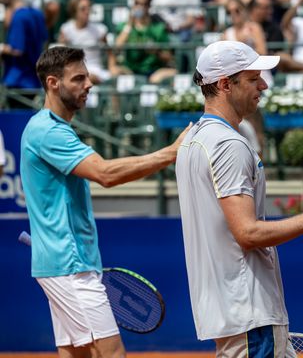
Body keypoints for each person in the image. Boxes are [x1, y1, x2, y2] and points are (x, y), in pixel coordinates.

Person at [175, 40, 303, 357]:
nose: (264, 85)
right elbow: (248, 233)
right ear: (226, 84)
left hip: (233, 311)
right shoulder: (228, 145)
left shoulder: (192, 141)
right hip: (248, 313)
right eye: (254, 78)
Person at [20, 46, 189, 358]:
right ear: (53, 83)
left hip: (65, 263)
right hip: (70, 266)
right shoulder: (48, 132)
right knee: (112, 354)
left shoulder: (51, 128)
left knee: (78, 354)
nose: (89, 84)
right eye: (79, 78)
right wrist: (171, 152)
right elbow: (106, 173)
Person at [113, 0, 177, 84]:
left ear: (149, 6)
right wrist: (130, 25)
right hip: (130, 70)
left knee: (173, 74)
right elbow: (116, 48)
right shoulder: (124, 27)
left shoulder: (158, 28)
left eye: (144, 4)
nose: (140, 7)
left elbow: (169, 57)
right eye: (137, 3)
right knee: (115, 73)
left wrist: (156, 52)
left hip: (152, 71)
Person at [0, 0, 48, 107]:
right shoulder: (37, 13)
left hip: (18, 81)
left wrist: (1, 48)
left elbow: (17, 50)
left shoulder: (19, 17)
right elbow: (44, 41)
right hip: (34, 81)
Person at [58, 0, 117, 83]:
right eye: (83, 9)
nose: (87, 11)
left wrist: (112, 67)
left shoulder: (100, 29)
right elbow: (60, 53)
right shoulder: (66, 29)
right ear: (74, 11)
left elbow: (109, 52)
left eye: (89, 8)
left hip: (95, 70)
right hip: (73, 69)